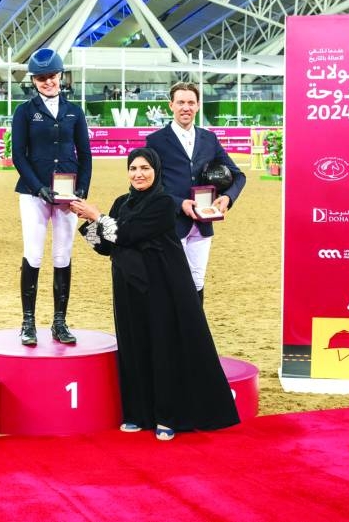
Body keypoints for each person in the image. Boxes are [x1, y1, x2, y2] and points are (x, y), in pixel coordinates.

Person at [70, 147, 239, 440]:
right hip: (127, 286)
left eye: (145, 168)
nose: (139, 174)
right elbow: (107, 245)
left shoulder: (163, 203)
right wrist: (89, 222)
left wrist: (98, 216)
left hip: (161, 287)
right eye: (133, 168)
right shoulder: (122, 202)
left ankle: (167, 416)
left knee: (163, 348)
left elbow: (126, 234)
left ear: (156, 170)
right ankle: (137, 413)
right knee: (133, 346)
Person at [11, 48, 92, 346]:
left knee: (62, 255)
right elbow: (19, 155)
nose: (47, 82)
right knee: (33, 254)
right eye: (42, 78)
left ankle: (59, 321)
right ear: (34, 80)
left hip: (67, 193)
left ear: (60, 77)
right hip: (34, 194)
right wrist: (38, 187)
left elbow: (85, 153)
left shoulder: (74, 111)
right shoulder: (24, 112)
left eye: (52, 77)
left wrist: (82, 187)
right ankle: (28, 322)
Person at [145, 81, 245, 306]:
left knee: (197, 281)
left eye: (191, 102)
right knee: (170, 281)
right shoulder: (155, 141)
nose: (186, 107)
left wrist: (227, 198)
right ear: (171, 105)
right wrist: (179, 203)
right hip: (171, 222)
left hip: (202, 223)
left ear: (198, 106)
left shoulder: (209, 139)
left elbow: (239, 176)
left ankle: (194, 336)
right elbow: (151, 185)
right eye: (180, 102)